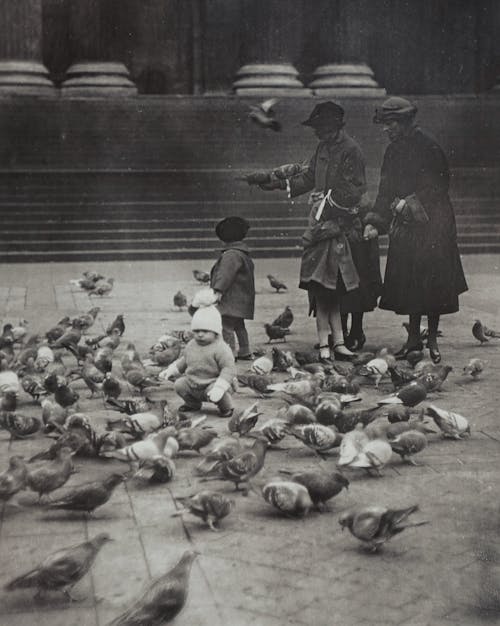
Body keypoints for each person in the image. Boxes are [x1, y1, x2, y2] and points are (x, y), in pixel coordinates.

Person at [259, 101, 380, 362]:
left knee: (349, 281)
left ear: (335, 127)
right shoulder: (323, 146)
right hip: (325, 224)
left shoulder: (352, 150)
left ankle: (352, 332)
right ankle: (336, 337)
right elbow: (310, 176)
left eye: (321, 127)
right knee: (329, 285)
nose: (317, 133)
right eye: (316, 128)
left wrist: (324, 204)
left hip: (345, 224)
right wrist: (280, 185)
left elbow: (354, 190)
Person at [363, 97, 468, 363]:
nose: (386, 129)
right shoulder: (393, 151)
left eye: (391, 123)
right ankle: (412, 340)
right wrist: (375, 221)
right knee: (410, 282)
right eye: (385, 124)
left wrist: (407, 203)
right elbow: (385, 189)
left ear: (405, 122)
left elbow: (439, 185)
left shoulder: (428, 146)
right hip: (408, 225)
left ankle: (431, 339)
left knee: (432, 281)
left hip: (434, 223)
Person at [158, 305, 236, 417]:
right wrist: (173, 369)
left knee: (217, 392)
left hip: (215, 382)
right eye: (197, 331)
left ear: (215, 332)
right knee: (180, 384)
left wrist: (220, 386)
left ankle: (226, 407)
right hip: (194, 383)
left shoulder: (221, 348)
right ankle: (193, 404)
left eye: (205, 331)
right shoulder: (191, 345)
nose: (200, 334)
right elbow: (186, 359)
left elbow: (229, 369)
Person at [210, 216, 255, 360]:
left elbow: (225, 275)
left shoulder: (231, 255)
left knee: (226, 326)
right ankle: (245, 350)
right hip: (242, 298)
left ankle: (229, 353)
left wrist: (218, 290)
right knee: (239, 325)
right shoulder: (242, 253)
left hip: (230, 299)